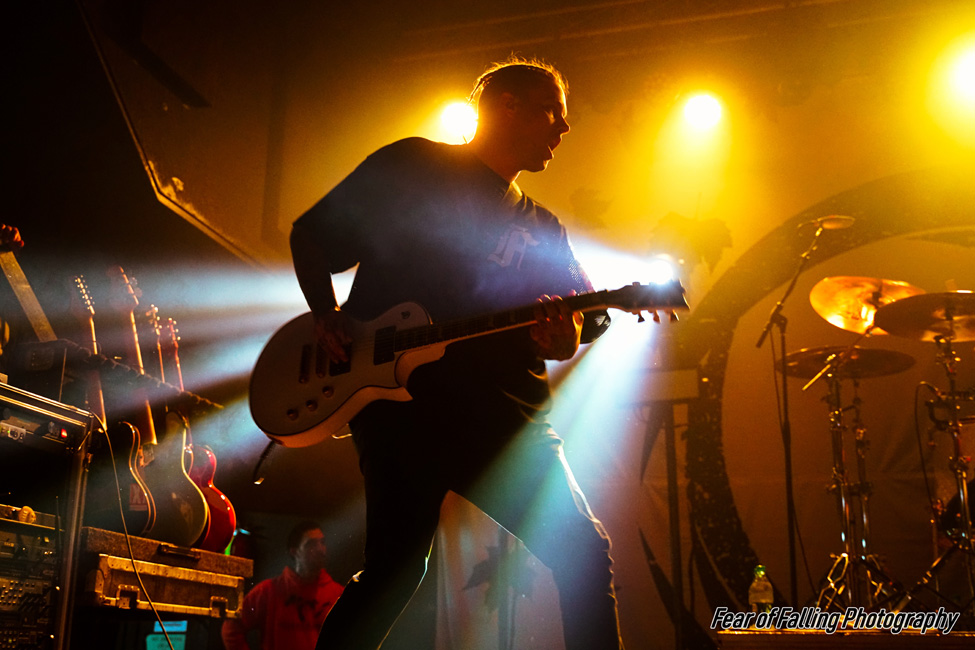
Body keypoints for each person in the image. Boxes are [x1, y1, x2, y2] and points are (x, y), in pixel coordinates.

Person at [290, 57, 624, 650]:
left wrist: (562, 335)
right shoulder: (414, 165)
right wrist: (325, 315)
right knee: (395, 569)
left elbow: (586, 318)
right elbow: (312, 237)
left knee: (582, 553)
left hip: (506, 413)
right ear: (509, 106)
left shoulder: (543, 226)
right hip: (402, 404)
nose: (565, 129)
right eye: (555, 112)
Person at [221, 521, 344, 650]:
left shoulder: (337, 594)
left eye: (322, 543)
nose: (320, 549)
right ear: (294, 552)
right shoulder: (268, 591)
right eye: (311, 544)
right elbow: (231, 629)